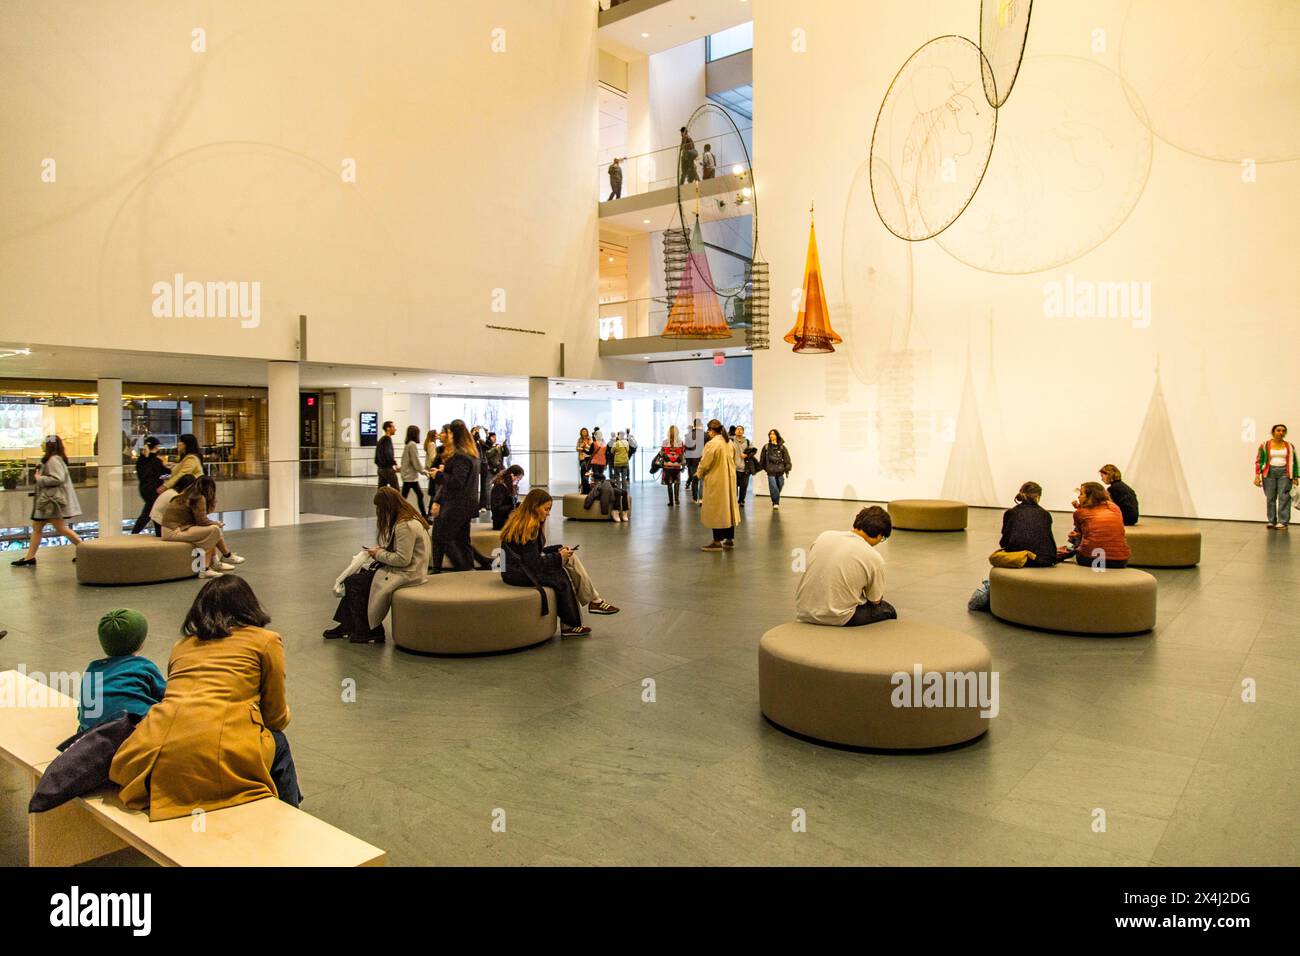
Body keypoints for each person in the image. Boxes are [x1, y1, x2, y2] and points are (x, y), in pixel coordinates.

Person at [109, 577, 302, 821]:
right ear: (249, 606)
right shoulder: (266, 640)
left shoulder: (182, 646)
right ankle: (291, 820)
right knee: (278, 742)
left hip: (154, 745)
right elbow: (275, 716)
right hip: (220, 747)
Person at [499, 489, 619, 637]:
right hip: (519, 574)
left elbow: (532, 554)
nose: (548, 513)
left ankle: (592, 603)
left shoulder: (522, 522)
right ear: (535, 507)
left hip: (514, 570)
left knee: (568, 559)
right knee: (561, 577)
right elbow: (534, 564)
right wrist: (559, 557)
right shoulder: (529, 529)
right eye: (546, 509)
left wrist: (558, 551)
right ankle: (576, 619)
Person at [325, 487, 430, 644]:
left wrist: (378, 554)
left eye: (380, 508)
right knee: (358, 578)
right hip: (408, 570)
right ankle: (351, 624)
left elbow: (403, 559)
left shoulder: (404, 525)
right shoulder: (408, 518)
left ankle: (369, 629)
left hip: (407, 574)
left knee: (353, 582)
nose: (379, 511)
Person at [795, 506, 896, 627]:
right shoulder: (873, 557)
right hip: (838, 617)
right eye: (883, 538)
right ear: (879, 535)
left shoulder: (824, 536)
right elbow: (875, 600)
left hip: (804, 611)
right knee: (888, 610)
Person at [78, 609, 166, 732]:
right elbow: (168, 697)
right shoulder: (143, 666)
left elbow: (83, 710)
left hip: (93, 738)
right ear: (140, 643)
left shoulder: (91, 670)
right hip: (136, 734)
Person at [12, 434, 83, 567]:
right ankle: (30, 557)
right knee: (38, 527)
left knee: (59, 528)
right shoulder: (54, 459)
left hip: (51, 503)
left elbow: (58, 478)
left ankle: (86, 550)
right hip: (48, 503)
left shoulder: (53, 460)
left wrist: (40, 479)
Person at [429, 420, 488, 571]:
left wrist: (439, 475)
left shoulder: (461, 456)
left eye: (448, 432)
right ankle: (468, 570)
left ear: (453, 434)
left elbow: (457, 482)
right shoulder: (472, 454)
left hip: (456, 506)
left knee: (444, 538)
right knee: (463, 541)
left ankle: (463, 567)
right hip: (466, 505)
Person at [160, 476, 244, 577]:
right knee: (213, 530)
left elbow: (199, 520)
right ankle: (207, 568)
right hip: (174, 531)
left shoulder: (187, 494)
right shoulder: (199, 498)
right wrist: (215, 523)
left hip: (171, 529)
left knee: (212, 530)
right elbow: (202, 521)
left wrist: (213, 523)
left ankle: (219, 560)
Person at [696, 419, 740, 551]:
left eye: (708, 430)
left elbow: (705, 463)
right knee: (729, 508)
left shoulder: (712, 444)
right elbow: (734, 460)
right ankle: (729, 539)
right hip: (729, 481)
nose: (708, 433)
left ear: (711, 430)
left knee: (717, 510)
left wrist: (698, 473)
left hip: (716, 481)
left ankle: (716, 541)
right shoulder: (729, 442)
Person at [1064, 482, 1131, 568]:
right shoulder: (1114, 507)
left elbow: (1082, 534)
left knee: (1074, 538)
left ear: (1089, 496)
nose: (1078, 496)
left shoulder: (1079, 513)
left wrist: (1076, 537)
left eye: (1081, 494)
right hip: (1120, 561)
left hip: (1091, 559)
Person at [998, 482, 1057, 567]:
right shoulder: (1045, 514)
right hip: (1040, 560)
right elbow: (1048, 540)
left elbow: (1005, 540)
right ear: (1038, 497)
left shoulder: (1010, 513)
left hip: (1016, 556)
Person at [1255, 423, 1299, 530]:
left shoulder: (1289, 446)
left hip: (1285, 473)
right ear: (1273, 432)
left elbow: (1295, 462)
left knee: (1284, 497)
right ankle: (1271, 521)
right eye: (1278, 430)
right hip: (1269, 473)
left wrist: (1296, 476)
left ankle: (1283, 522)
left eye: (1283, 431)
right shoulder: (1265, 445)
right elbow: (1259, 461)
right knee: (1270, 497)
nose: (1281, 432)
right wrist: (1257, 475)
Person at [131, 437, 169, 534]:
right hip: (154, 489)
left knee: (154, 510)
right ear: (156, 447)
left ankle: (158, 533)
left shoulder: (141, 460)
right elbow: (165, 472)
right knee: (150, 512)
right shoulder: (156, 461)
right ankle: (135, 533)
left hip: (144, 488)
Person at [758, 429, 792, 510]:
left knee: (780, 484)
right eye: (770, 434)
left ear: (777, 435)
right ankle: (775, 503)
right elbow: (762, 459)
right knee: (773, 486)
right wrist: (765, 467)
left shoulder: (782, 447)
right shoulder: (766, 446)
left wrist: (787, 468)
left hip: (780, 469)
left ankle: (775, 497)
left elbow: (787, 459)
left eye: (773, 434)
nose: (771, 435)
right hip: (770, 470)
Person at [490, 464, 525, 530]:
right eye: (518, 479)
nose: (518, 482)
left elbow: (510, 503)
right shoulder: (499, 487)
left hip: (508, 517)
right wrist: (513, 507)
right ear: (512, 475)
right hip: (501, 521)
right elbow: (496, 509)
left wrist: (518, 505)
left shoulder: (509, 486)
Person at [731, 424, 756, 507]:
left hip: (745, 468)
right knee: (733, 485)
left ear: (743, 431)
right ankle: (734, 500)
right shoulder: (731, 441)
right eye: (737, 429)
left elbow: (753, 451)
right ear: (735, 431)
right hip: (733, 467)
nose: (739, 430)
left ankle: (741, 501)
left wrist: (747, 455)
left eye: (741, 429)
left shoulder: (748, 441)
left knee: (744, 486)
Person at [660, 425, 685, 507]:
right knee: (677, 482)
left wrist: (668, 456)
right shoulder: (680, 442)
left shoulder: (665, 442)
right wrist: (682, 464)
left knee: (669, 483)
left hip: (667, 466)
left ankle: (671, 501)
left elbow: (661, 454)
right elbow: (682, 454)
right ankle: (677, 499)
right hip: (677, 466)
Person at [684, 418, 706, 503]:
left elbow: (687, 450)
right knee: (702, 479)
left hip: (693, 461)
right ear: (701, 425)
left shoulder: (689, 435)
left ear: (694, 425)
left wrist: (688, 463)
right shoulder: (706, 435)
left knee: (694, 479)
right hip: (703, 460)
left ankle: (694, 498)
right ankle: (701, 498)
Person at [374, 420, 399, 490]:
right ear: (388, 428)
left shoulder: (381, 440)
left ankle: (379, 501)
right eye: (393, 427)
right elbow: (388, 453)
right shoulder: (387, 440)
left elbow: (376, 457)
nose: (395, 429)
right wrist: (394, 464)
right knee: (396, 490)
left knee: (381, 490)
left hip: (380, 469)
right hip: (387, 469)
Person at [423, 427, 442, 515]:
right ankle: (430, 512)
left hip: (431, 468)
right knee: (434, 492)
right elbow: (432, 457)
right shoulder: (432, 444)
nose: (438, 434)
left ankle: (430, 512)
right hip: (433, 469)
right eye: (436, 433)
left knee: (434, 492)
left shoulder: (430, 444)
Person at [576, 427, 593, 493]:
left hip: (588, 457)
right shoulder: (579, 439)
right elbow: (577, 448)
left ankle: (586, 486)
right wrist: (581, 446)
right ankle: (583, 486)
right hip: (581, 458)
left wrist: (586, 446)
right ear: (581, 432)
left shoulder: (590, 438)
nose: (584, 433)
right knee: (582, 472)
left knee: (586, 472)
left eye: (585, 431)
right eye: (583, 432)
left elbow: (591, 448)